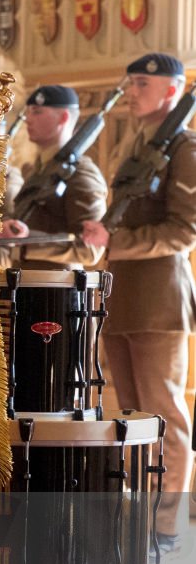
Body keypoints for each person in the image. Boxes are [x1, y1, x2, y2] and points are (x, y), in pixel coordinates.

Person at [82, 53, 196, 526]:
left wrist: (118, 242)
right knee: (128, 417)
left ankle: (167, 523)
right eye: (130, 82)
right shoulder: (135, 144)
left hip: (159, 302)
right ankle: (134, 518)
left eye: (143, 83)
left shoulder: (185, 148)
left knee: (164, 415)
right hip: (122, 297)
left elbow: (184, 232)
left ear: (172, 91)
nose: (131, 90)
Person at [0, 85, 107, 269]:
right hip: (27, 284)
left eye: (37, 112)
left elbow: (90, 249)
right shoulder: (37, 170)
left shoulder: (81, 171)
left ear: (64, 117)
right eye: (28, 112)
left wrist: (27, 243)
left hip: (58, 289)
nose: (28, 119)